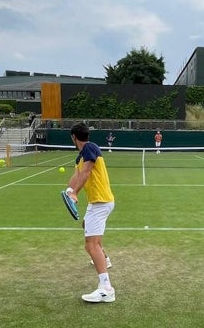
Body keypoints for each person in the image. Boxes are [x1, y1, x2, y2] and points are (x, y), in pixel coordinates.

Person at [66, 122, 116, 303]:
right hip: (97, 202)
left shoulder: (90, 148)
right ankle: (105, 258)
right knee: (87, 226)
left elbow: (86, 172)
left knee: (90, 245)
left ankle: (106, 289)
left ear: (74, 137)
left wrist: (75, 194)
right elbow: (77, 176)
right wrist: (69, 190)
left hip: (100, 202)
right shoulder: (81, 157)